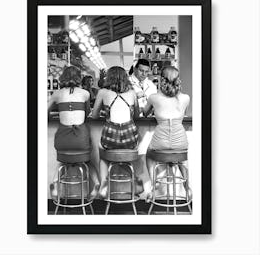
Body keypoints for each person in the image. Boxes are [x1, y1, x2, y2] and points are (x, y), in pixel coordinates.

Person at [48, 66, 100, 201]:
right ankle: (97, 183)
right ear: (79, 77)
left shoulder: (56, 94)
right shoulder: (85, 93)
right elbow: (88, 112)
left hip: (62, 140)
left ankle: (54, 183)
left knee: (64, 161)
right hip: (80, 139)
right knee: (87, 160)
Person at [92, 66, 142, 198]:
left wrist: (105, 111)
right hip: (129, 137)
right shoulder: (132, 92)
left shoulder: (102, 92)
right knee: (132, 148)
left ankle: (103, 184)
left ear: (108, 78)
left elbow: (94, 116)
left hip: (110, 136)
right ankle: (135, 181)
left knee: (102, 152)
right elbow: (137, 116)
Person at [143, 65, 190, 200]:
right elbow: (184, 114)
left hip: (160, 143)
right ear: (178, 80)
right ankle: (188, 188)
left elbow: (145, 114)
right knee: (182, 160)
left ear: (161, 79)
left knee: (148, 154)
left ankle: (153, 186)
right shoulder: (186, 98)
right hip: (180, 142)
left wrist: (156, 110)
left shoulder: (153, 97)